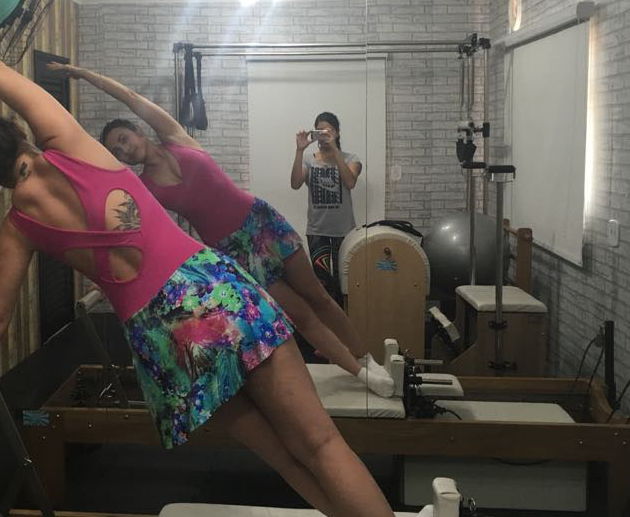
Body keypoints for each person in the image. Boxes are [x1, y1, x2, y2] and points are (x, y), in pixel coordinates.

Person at [0, 7, 428, 517]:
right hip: (212, 293)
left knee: (292, 463)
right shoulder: (69, 143)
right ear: (17, 131)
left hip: (165, 337)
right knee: (321, 445)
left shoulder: (18, 229)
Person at [53, 63, 392, 397]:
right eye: (117, 150)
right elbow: (125, 222)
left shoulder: (175, 137)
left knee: (318, 295)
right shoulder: (145, 188)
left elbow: (130, 96)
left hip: (262, 222)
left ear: (139, 131)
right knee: (300, 315)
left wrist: (85, 74)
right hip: (234, 249)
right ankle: (361, 374)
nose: (125, 149)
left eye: (124, 139)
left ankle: (367, 358)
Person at [290, 112, 362, 307]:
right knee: (322, 283)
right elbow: (295, 184)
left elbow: (350, 182)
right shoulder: (308, 159)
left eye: (327, 131)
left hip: (344, 232)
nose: (323, 135)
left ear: (337, 133)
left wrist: (334, 150)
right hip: (317, 231)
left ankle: (345, 318)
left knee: (343, 281)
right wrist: (299, 151)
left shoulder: (351, 159)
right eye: (319, 131)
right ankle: (328, 320)